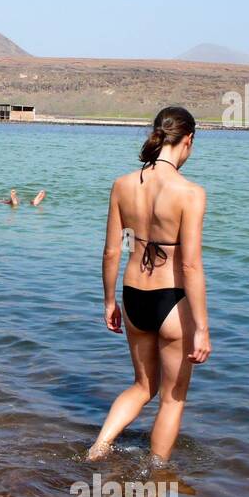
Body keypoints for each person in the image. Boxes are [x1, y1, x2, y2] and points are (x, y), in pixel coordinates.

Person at [89, 106, 210, 464]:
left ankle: (98, 448)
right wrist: (201, 327)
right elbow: (189, 264)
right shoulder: (190, 193)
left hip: (133, 298)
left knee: (143, 386)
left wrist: (109, 302)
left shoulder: (123, 185)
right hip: (171, 301)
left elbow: (112, 251)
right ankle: (156, 476)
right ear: (187, 141)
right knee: (172, 398)